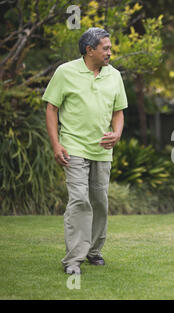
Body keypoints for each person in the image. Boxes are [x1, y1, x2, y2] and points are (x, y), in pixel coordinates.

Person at [43, 28, 128, 275]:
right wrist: (56, 144)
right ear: (89, 50)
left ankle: (94, 250)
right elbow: (51, 108)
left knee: (99, 202)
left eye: (110, 48)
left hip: (102, 149)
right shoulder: (65, 72)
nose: (110, 52)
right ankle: (73, 259)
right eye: (106, 48)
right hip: (73, 146)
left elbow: (118, 112)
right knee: (79, 199)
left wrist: (117, 133)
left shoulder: (114, 76)